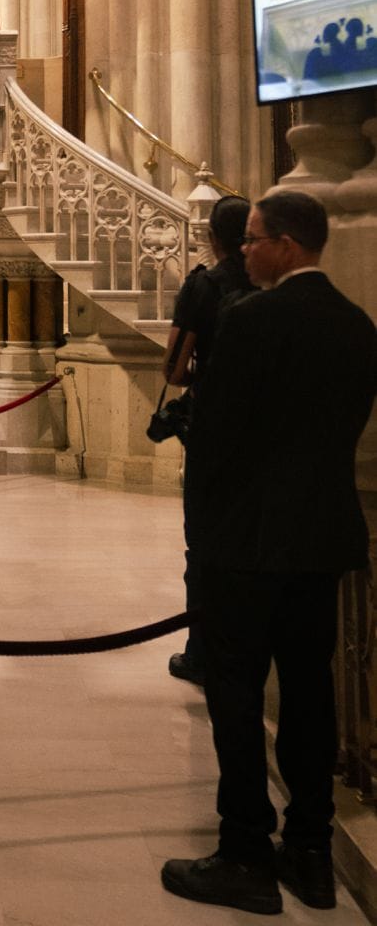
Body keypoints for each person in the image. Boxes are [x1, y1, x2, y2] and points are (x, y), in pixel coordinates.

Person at [162, 191, 377, 916]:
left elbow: (216, 442)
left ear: (286, 244)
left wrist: (208, 532)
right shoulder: (357, 326)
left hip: (247, 549)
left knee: (235, 698)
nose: (242, 252)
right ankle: (310, 854)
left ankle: (246, 854)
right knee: (311, 699)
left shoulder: (249, 321)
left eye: (252, 241)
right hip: (319, 543)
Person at [161, 195, 255, 689]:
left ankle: (201, 653)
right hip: (263, 434)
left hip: (214, 431)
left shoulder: (203, 285)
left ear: (212, 237)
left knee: (204, 547)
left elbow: (174, 370)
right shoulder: (267, 283)